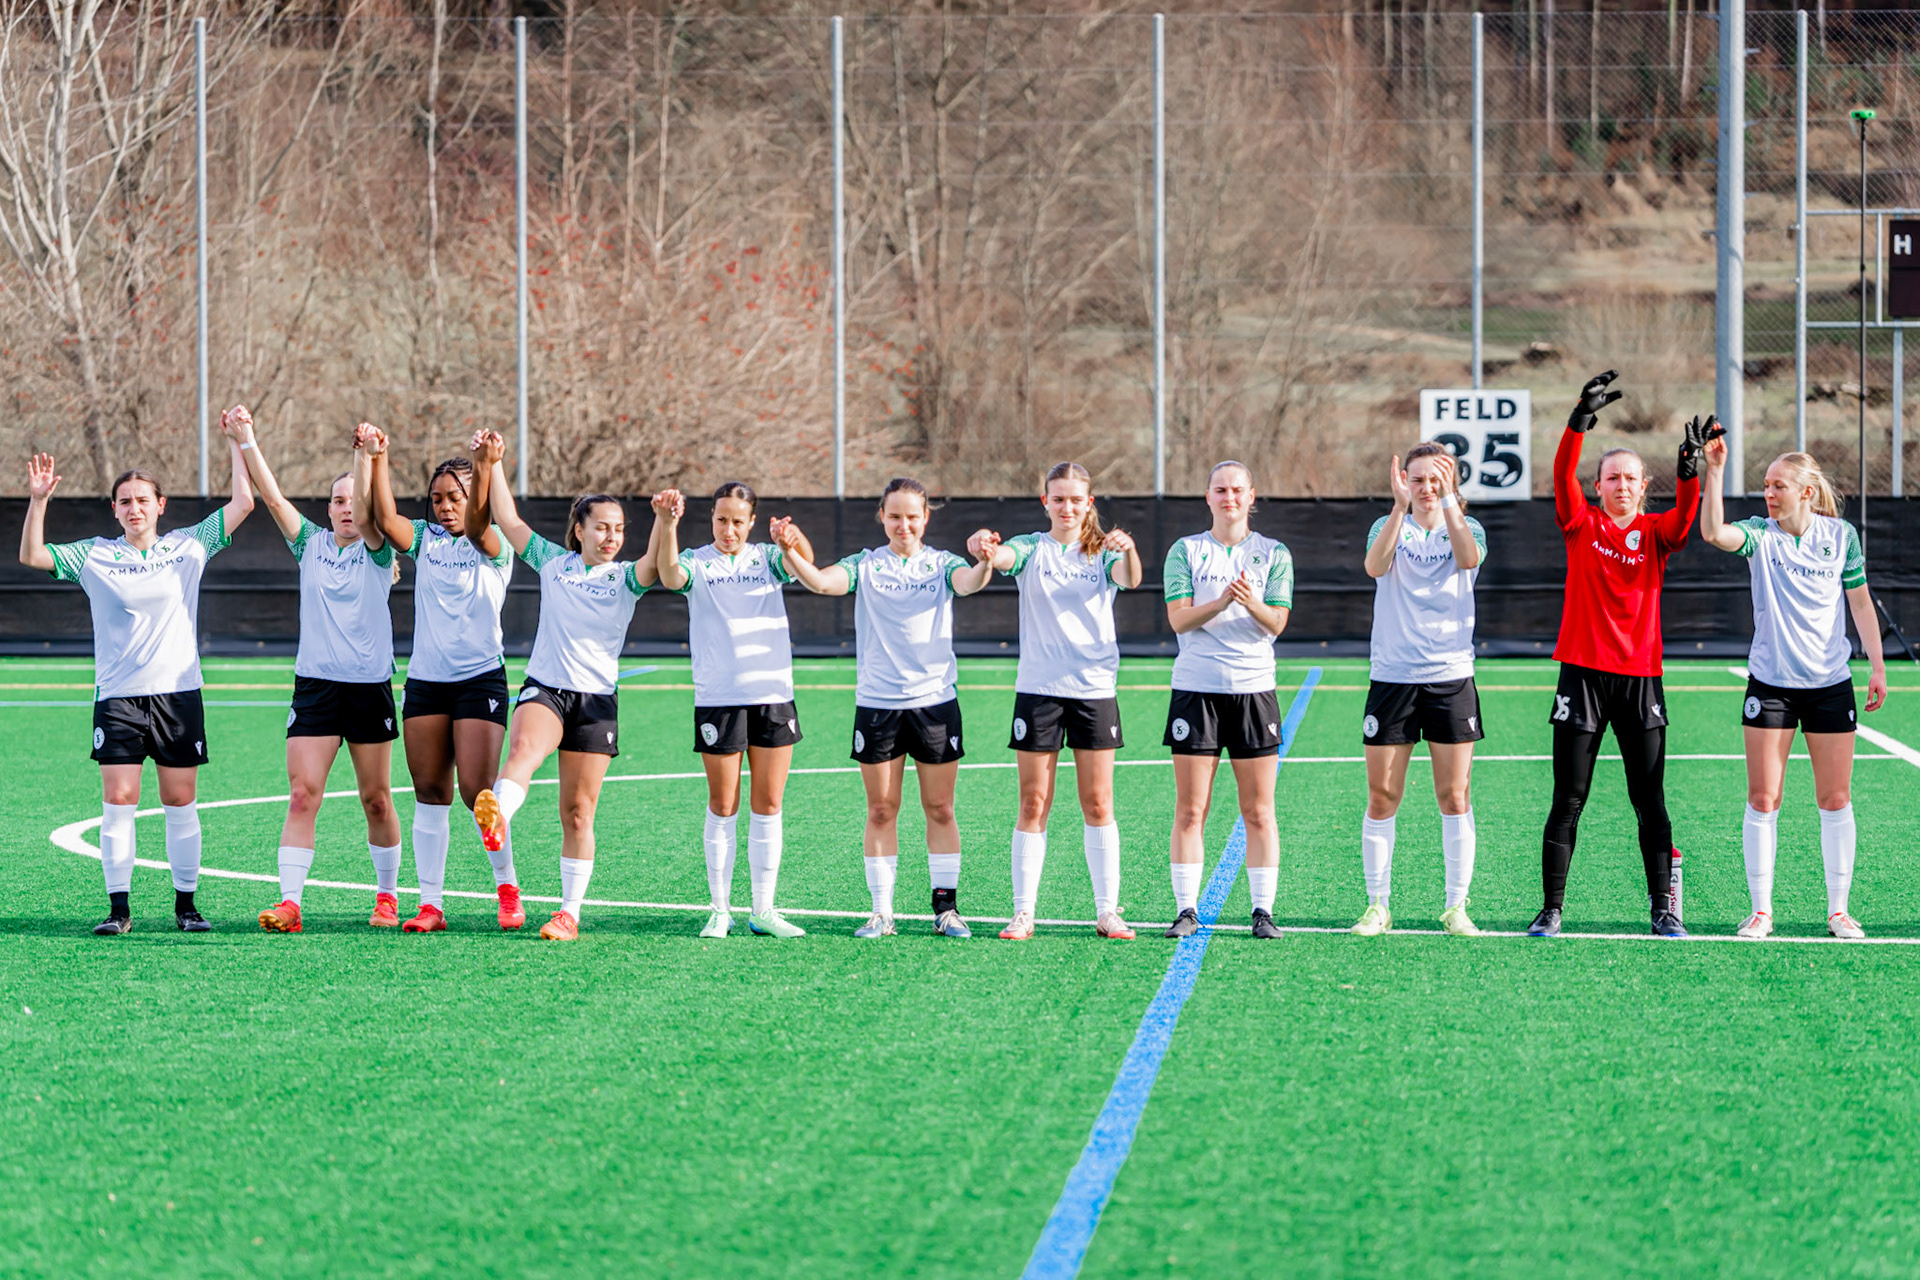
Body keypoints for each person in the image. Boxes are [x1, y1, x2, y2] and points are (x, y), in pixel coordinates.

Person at [20, 432, 256, 934]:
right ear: (113, 509)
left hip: (178, 696)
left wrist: (239, 442)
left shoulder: (189, 546)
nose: (134, 508)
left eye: (142, 500)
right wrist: (38, 501)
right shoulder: (94, 555)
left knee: (179, 801)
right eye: (125, 502)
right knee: (120, 800)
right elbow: (33, 556)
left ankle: (187, 907)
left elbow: (244, 501)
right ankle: (119, 910)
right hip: (119, 700)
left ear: (160, 505)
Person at [775, 478, 995, 939]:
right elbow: (821, 582)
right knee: (881, 809)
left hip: (935, 703)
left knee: (940, 808)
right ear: (881, 516)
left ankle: (947, 909)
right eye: (894, 516)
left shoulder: (942, 564)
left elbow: (969, 583)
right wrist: (790, 551)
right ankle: (881, 912)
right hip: (877, 705)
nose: (903, 524)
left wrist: (984, 561)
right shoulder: (865, 565)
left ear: (925, 518)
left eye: (912, 515)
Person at [1529, 372, 1707, 939]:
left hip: (1640, 681)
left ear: (1643, 484)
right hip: (1581, 677)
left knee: (1648, 799)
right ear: (1598, 485)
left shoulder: (1656, 533)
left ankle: (1662, 909)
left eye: (1631, 478)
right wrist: (1579, 420)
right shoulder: (1580, 524)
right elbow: (1559, 474)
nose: (1622, 485)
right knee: (1568, 798)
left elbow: (1684, 522)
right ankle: (1551, 909)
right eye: (1612, 478)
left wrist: (1690, 474)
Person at [467, 432, 666, 941]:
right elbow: (508, 521)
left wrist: (665, 522)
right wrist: (494, 464)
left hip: (596, 702)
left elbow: (655, 566)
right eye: (602, 527)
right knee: (524, 752)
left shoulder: (626, 579)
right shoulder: (554, 564)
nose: (612, 537)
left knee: (579, 813)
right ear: (579, 530)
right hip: (547, 688)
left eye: (619, 529)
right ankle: (497, 813)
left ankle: (568, 913)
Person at [1699, 442, 1886, 939]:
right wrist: (1714, 471)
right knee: (1763, 797)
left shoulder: (1841, 535)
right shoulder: (1760, 535)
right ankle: (1761, 911)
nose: (1769, 494)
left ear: (1806, 492)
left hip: (1830, 686)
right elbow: (1713, 532)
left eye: (1778, 486)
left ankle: (1838, 911)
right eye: (1765, 486)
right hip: (1771, 686)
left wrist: (1878, 666)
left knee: (1835, 797)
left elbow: (1861, 605)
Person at [239, 414, 404, 934]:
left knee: (376, 798)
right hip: (315, 688)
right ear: (328, 509)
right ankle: (290, 902)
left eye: (354, 500)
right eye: (337, 501)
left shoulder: (379, 551)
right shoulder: (309, 545)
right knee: (302, 794)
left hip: (369, 688)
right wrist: (245, 440)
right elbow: (272, 499)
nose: (346, 508)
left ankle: (387, 895)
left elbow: (373, 511)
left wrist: (367, 454)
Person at [965, 461, 1143, 941]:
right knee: (1033, 802)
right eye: (1058, 498)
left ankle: (1107, 911)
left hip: (1093, 692)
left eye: (1075, 499)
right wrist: (984, 546)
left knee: (1098, 801)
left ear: (1090, 504)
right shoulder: (1031, 548)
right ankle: (1024, 911)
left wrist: (1127, 549)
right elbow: (1001, 558)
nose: (1067, 507)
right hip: (1039, 692)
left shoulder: (1104, 552)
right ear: (1045, 502)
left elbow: (1129, 578)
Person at [361, 426, 524, 932]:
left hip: (479, 681)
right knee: (430, 791)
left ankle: (507, 889)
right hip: (427, 683)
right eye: (437, 499)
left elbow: (478, 526)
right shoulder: (426, 541)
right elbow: (386, 519)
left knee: (480, 793)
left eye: (455, 496)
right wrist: (380, 456)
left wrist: (488, 465)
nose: (445, 506)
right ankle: (430, 904)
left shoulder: (492, 543)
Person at [653, 482, 816, 940]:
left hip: (773, 695)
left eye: (738, 521)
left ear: (750, 522)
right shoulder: (698, 561)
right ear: (712, 519)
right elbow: (669, 576)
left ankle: (763, 909)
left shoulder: (767, 558)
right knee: (724, 804)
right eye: (722, 520)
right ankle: (720, 910)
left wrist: (791, 536)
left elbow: (808, 564)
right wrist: (667, 524)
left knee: (768, 804)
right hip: (719, 698)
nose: (729, 529)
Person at [1353, 443, 1486, 938]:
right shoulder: (1391, 524)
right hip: (1393, 677)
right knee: (1383, 795)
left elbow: (1468, 558)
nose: (1427, 488)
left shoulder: (1467, 527)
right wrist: (1397, 508)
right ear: (1404, 481)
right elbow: (1375, 567)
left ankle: (1456, 906)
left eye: (1437, 479)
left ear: (1451, 482)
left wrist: (1449, 500)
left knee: (1454, 795)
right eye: (1418, 479)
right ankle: (1377, 906)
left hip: (1451, 676)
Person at [1162, 461, 1293, 941]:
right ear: (1208, 495)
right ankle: (1186, 910)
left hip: (1254, 692)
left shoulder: (1274, 553)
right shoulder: (1186, 551)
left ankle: (1263, 911)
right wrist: (1219, 602)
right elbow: (1178, 620)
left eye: (1238, 490)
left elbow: (1276, 623)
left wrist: (1248, 600)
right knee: (1191, 809)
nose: (1229, 497)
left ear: (1252, 496)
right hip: (1197, 691)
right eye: (1221, 489)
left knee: (1259, 810)